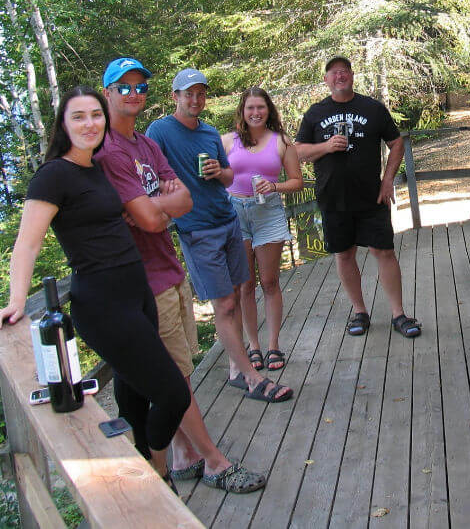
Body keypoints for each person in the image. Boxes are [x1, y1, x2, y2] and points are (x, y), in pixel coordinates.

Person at [0, 86, 191, 489]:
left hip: (137, 291)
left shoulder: (96, 168)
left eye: (96, 115)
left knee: (135, 397)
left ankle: (143, 475)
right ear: (63, 125)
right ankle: (158, 471)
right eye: (79, 117)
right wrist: (17, 300)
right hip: (103, 305)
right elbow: (27, 242)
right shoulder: (54, 175)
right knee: (173, 394)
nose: (90, 124)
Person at [97, 58, 265, 493]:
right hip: (141, 279)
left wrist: (158, 206)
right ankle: (214, 460)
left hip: (168, 267)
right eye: (124, 87)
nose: (134, 94)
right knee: (174, 377)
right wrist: (158, 207)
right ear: (108, 93)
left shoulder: (145, 146)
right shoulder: (109, 150)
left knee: (174, 370)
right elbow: (151, 218)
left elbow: (180, 200)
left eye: (139, 86)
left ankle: (183, 453)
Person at [146, 68, 292, 403]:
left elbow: (228, 179)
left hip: (227, 220)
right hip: (196, 228)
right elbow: (149, 172)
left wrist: (218, 171)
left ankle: (234, 367)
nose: (195, 100)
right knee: (224, 302)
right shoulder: (160, 131)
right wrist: (162, 197)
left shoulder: (210, 133)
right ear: (175, 97)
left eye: (200, 94)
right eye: (188, 94)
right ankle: (253, 378)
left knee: (238, 294)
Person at [295, 56, 420, 338]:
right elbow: (298, 152)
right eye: (334, 73)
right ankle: (359, 312)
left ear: (352, 76)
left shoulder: (372, 108)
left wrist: (388, 180)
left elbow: (396, 142)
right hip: (332, 198)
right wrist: (326, 147)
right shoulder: (315, 113)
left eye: (344, 72)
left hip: (371, 197)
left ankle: (399, 314)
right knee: (344, 254)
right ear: (326, 80)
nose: (340, 76)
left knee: (384, 251)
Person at [221, 87, 303, 374]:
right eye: (250, 108)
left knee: (269, 281)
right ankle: (252, 346)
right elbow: (214, 176)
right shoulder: (228, 141)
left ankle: (273, 344)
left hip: (268, 211)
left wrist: (275, 186)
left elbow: (297, 181)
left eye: (261, 107)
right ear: (242, 112)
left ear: (269, 110)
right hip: (235, 214)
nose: (255, 113)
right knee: (245, 284)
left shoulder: (281, 140)